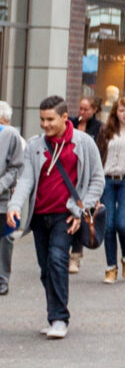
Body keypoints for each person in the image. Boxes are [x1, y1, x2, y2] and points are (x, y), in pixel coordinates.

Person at [8, 99, 100, 336]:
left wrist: (81, 210)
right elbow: (26, 179)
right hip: (40, 216)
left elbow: (97, 180)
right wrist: (15, 206)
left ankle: (60, 318)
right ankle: (54, 315)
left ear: (64, 117)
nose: (45, 124)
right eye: (42, 119)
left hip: (66, 215)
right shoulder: (35, 145)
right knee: (45, 269)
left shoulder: (84, 143)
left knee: (58, 259)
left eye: (50, 119)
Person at [95, 95, 125, 283]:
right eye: (121, 110)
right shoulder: (105, 130)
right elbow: (98, 155)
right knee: (108, 225)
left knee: (122, 224)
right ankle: (110, 268)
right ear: (115, 112)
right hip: (107, 180)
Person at [0, 102, 24, 296]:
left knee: (4, 238)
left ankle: (2, 279)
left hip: (3, 199)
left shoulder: (10, 135)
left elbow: (16, 167)